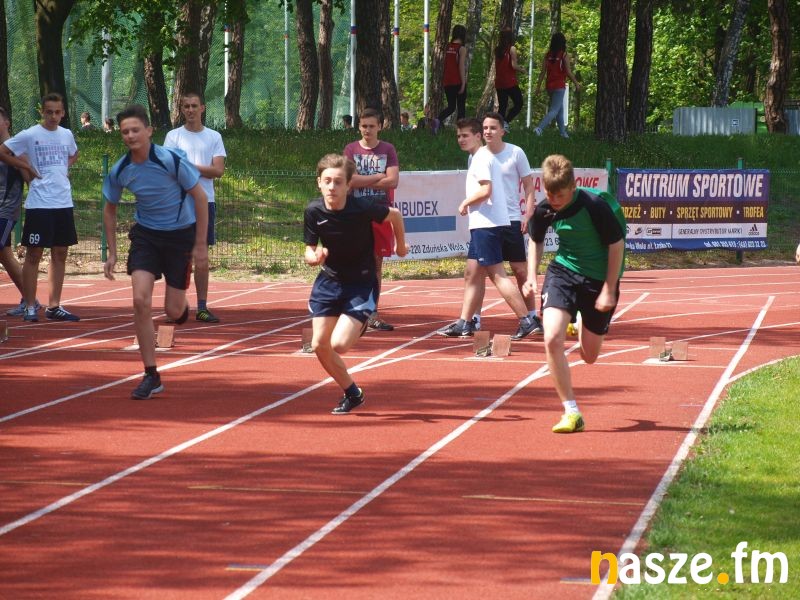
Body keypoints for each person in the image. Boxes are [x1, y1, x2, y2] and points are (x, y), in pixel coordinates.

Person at [102, 104, 208, 400]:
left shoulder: (170, 160)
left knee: (173, 312)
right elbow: (109, 210)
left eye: (136, 130)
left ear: (149, 131)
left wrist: (200, 244)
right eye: (125, 132)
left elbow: (200, 198)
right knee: (140, 301)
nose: (130, 135)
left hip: (179, 236)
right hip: (146, 236)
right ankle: (151, 374)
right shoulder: (120, 169)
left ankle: (180, 307)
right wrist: (112, 253)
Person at [524, 154, 625, 433]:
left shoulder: (594, 206)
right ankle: (571, 411)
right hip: (563, 272)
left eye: (560, 195)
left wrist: (609, 288)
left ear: (573, 186)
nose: (555, 200)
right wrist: (532, 275)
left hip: (597, 279)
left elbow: (617, 245)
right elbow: (535, 240)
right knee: (551, 337)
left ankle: (580, 320)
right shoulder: (545, 209)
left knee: (589, 357)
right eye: (550, 194)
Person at [304, 153, 407, 414]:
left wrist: (401, 245)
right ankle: (353, 393)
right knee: (319, 345)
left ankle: (360, 322)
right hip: (329, 282)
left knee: (338, 345)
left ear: (349, 185)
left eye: (338, 182)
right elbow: (309, 248)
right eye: (327, 181)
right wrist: (313, 257)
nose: (332, 187)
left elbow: (394, 215)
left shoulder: (361, 207)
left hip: (360, 282)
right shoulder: (313, 211)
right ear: (319, 182)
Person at [438, 117, 539, 340]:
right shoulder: (480, 157)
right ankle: (465, 322)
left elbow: (486, 190)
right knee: (473, 273)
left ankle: (527, 319)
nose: (461, 139)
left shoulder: (483, 158)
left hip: (488, 224)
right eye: (458, 136)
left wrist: (465, 203)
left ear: (477, 137)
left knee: (497, 275)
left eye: (465, 135)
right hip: (486, 223)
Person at [0, 92, 81, 322]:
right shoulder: (30, 134)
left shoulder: (66, 134)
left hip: (63, 201)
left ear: (63, 113)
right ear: (42, 112)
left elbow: (74, 153)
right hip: (39, 203)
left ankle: (54, 306)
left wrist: (64, 167)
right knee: (34, 253)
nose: (53, 116)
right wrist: (25, 166)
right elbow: (3, 152)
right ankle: (29, 305)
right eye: (49, 112)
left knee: (60, 252)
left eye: (57, 112)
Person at [473, 112, 541, 337]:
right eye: (485, 128)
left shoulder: (516, 152)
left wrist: (527, 214)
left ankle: (532, 316)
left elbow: (529, 186)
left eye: (493, 128)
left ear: (502, 131)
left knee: (520, 270)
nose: (488, 131)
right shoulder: (478, 155)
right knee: (479, 271)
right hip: (487, 221)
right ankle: (474, 319)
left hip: (511, 218)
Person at [164, 92, 226, 323]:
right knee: (178, 257)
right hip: (178, 202)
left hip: (204, 203)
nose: (190, 110)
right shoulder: (173, 137)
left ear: (202, 108)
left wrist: (188, 166)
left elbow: (218, 170)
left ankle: (202, 307)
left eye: (194, 106)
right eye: (186, 106)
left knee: (201, 257)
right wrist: (198, 169)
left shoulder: (214, 137)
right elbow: (170, 168)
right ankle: (177, 306)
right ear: (181, 109)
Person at [343, 107, 399, 331]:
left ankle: (372, 311)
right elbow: (349, 180)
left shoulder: (387, 149)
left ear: (380, 127)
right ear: (359, 126)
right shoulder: (351, 149)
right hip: (356, 213)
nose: (367, 130)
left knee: (376, 263)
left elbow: (393, 181)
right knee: (355, 262)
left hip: (380, 212)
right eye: (364, 126)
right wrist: (378, 176)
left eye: (372, 126)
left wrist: (362, 180)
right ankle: (353, 309)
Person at [0, 106, 41, 317]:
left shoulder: (16, 150)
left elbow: (29, 179)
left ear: (7, 123)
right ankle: (29, 298)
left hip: (5, 210)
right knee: (5, 256)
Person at [533, 32, 580, 138]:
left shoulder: (547, 55)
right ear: (563, 43)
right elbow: (568, 72)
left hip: (549, 86)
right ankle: (539, 128)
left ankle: (563, 133)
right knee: (554, 110)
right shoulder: (564, 55)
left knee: (559, 109)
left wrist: (538, 87)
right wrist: (576, 83)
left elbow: (542, 73)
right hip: (559, 86)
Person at [437, 24, 468, 126]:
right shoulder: (461, 49)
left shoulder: (446, 47)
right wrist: (463, 83)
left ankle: (437, 120)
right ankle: (461, 128)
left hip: (447, 81)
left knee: (451, 107)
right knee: (461, 107)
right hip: (457, 81)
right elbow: (461, 67)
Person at [494, 28, 525, 129]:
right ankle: (506, 122)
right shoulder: (511, 49)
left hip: (499, 81)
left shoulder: (497, 50)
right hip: (509, 82)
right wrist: (522, 69)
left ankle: (499, 126)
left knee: (502, 106)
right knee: (519, 103)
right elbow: (514, 65)